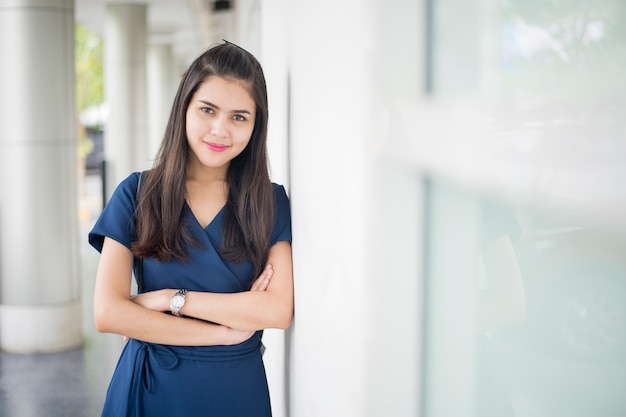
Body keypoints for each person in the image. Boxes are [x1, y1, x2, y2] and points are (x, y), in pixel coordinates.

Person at [88, 41, 293, 417]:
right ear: (184, 108)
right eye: (208, 110)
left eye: (239, 117)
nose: (220, 130)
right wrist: (223, 332)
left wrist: (167, 300)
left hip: (235, 391)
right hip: (150, 388)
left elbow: (278, 309)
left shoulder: (270, 201)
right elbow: (108, 313)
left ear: (256, 125)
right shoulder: (136, 193)